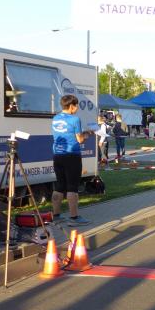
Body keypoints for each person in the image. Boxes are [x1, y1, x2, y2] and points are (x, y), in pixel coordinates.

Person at [51, 94, 94, 226]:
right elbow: (79, 139)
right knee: (72, 187)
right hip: (71, 155)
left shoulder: (55, 118)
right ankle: (74, 218)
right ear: (71, 106)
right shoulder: (75, 119)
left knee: (59, 185)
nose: (77, 109)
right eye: (76, 106)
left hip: (57, 154)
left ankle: (56, 216)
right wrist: (88, 133)